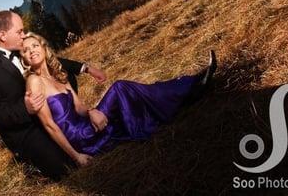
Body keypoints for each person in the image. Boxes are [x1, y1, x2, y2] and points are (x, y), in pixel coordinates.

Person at [21, 32, 217, 167]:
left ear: (44, 49)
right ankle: (190, 88)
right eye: (26, 50)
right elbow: (49, 126)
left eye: (35, 45)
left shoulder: (58, 75)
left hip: (86, 124)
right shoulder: (34, 81)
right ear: (25, 59)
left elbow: (79, 106)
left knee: (130, 95)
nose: (32, 51)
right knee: (120, 88)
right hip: (79, 138)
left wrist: (91, 112)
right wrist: (77, 157)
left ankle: (190, 88)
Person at [0, 10, 106, 179]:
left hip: (48, 113)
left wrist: (86, 68)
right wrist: (24, 108)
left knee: (66, 75)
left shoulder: (22, 50)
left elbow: (51, 60)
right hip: (27, 131)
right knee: (65, 169)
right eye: (19, 31)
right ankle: (29, 159)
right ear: (3, 35)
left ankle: (70, 115)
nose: (23, 35)